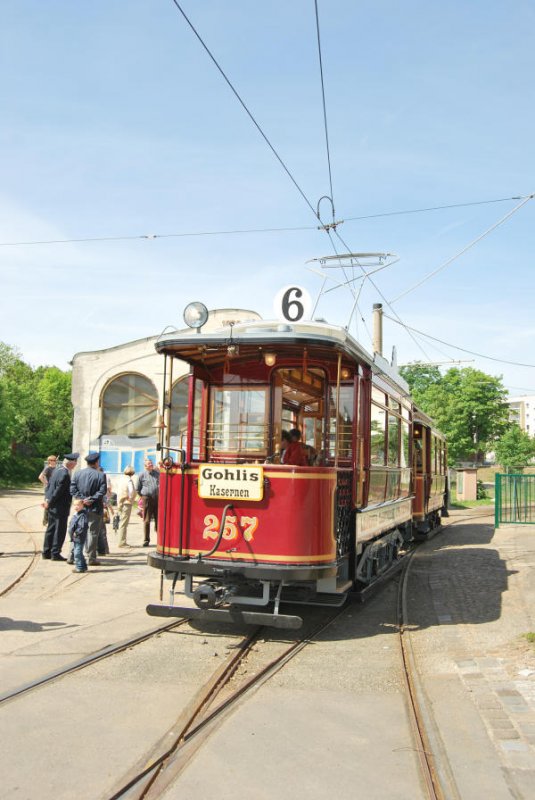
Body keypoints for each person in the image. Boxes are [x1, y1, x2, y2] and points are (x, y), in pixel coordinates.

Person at [70, 452, 107, 566]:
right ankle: (91, 558)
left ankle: (71, 556)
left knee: (77, 531)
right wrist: (90, 499)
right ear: (96, 462)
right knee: (92, 533)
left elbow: (72, 490)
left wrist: (82, 499)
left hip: (81, 507)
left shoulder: (77, 474)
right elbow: (102, 491)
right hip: (95, 508)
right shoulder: (100, 475)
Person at [42, 453, 79, 560]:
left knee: (51, 528)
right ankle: (55, 553)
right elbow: (58, 491)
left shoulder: (57, 470)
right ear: (71, 463)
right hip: (60, 506)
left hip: (52, 505)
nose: (75, 465)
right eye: (75, 463)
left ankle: (46, 551)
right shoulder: (64, 474)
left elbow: (49, 486)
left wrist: (47, 500)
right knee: (59, 530)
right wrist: (50, 502)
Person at [136, 458, 159, 547]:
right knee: (147, 519)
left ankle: (159, 539)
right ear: (145, 466)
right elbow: (137, 489)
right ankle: (146, 540)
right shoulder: (142, 475)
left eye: (151, 463)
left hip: (157, 499)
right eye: (149, 464)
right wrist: (143, 498)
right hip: (147, 499)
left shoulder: (157, 474)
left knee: (158, 519)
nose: (151, 465)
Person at [116, 465, 136, 548]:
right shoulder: (129, 480)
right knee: (124, 523)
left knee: (121, 522)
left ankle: (121, 541)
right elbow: (131, 491)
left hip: (120, 502)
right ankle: (122, 542)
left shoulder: (121, 479)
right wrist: (131, 498)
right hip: (126, 502)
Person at [68, 498, 89, 573]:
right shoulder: (76, 514)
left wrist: (76, 532)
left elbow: (82, 526)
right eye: (75, 505)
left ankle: (79, 567)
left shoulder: (82, 515)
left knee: (77, 552)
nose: (76, 507)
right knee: (78, 552)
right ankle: (83, 566)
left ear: (82, 506)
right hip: (75, 537)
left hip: (79, 537)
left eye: (78, 505)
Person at [38, 455, 57, 526]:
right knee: (47, 504)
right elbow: (40, 477)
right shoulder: (48, 468)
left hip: (54, 489)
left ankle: (51, 520)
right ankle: (45, 520)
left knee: (53, 503)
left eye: (55, 460)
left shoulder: (56, 468)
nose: (53, 462)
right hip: (49, 489)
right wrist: (46, 483)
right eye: (52, 460)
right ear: (49, 461)